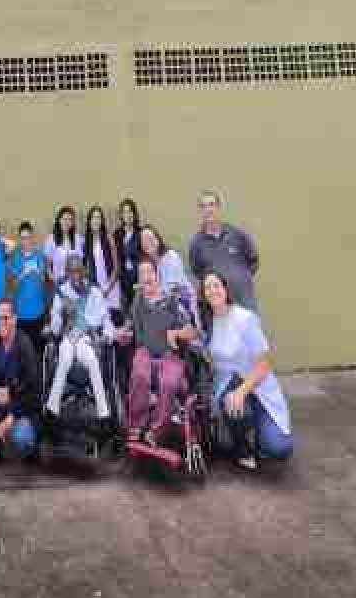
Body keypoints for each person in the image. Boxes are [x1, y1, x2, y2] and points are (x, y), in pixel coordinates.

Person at [203, 271, 293, 469]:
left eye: (216, 285)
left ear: (226, 289)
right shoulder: (208, 322)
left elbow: (264, 362)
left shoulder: (244, 318)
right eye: (207, 287)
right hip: (227, 384)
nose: (212, 291)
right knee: (233, 407)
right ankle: (242, 448)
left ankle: (258, 432)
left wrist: (242, 391)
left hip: (257, 384)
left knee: (279, 448)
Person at [123, 258, 200, 444]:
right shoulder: (138, 301)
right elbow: (130, 325)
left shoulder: (171, 299)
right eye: (142, 273)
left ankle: (157, 430)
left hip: (169, 352)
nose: (146, 276)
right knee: (140, 375)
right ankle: (136, 425)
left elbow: (190, 330)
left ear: (157, 275)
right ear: (139, 280)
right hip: (145, 350)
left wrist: (177, 333)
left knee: (169, 383)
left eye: (149, 271)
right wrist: (124, 332)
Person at [43, 254, 116, 428]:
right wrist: (59, 317)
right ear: (67, 273)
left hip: (85, 338)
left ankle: (104, 414)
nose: (75, 274)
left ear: (83, 271)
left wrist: (107, 336)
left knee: (92, 361)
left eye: (78, 270)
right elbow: (55, 327)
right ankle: (52, 410)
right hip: (68, 336)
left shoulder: (94, 291)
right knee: (65, 359)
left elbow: (105, 319)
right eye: (71, 271)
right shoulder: (61, 292)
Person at [0, 298, 41, 474]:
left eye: (5, 318)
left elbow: (34, 391)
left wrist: (9, 420)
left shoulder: (25, 345)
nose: (1, 322)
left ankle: (30, 449)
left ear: (14, 319)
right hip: (1, 399)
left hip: (22, 405)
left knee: (22, 437)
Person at [189, 191, 261, 311]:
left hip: (246, 302)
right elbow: (198, 272)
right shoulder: (196, 244)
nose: (208, 209)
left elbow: (253, 261)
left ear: (218, 208)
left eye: (211, 204)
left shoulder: (237, 234)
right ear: (200, 211)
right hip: (220, 307)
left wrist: (240, 279)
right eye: (203, 206)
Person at [139, 225, 199, 322]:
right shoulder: (150, 264)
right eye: (144, 240)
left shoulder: (171, 256)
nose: (148, 242)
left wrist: (152, 296)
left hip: (183, 307)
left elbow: (171, 289)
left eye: (150, 238)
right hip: (166, 310)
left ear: (158, 239)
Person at [9, 221, 47, 356]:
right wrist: (22, 274)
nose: (26, 241)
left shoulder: (39, 255)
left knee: (38, 350)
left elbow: (44, 283)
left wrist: (38, 272)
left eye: (28, 237)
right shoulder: (15, 257)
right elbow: (12, 287)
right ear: (20, 239)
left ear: (32, 238)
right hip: (21, 314)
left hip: (38, 312)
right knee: (22, 352)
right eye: (23, 238)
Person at [83, 205, 122, 324]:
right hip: (97, 289)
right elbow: (87, 268)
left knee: (114, 320)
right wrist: (94, 288)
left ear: (102, 221)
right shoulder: (87, 241)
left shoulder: (109, 238)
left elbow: (117, 267)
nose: (96, 220)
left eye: (99, 217)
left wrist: (107, 288)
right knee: (100, 321)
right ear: (89, 221)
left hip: (111, 286)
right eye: (93, 218)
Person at [113, 198, 142, 311]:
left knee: (138, 310)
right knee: (126, 311)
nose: (127, 215)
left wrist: (141, 280)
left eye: (130, 211)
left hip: (137, 278)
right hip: (123, 280)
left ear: (134, 214)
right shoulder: (117, 234)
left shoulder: (140, 233)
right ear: (121, 215)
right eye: (124, 212)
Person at [44, 205, 83, 289]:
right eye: (64, 219)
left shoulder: (79, 239)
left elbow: (82, 263)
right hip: (60, 284)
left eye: (70, 219)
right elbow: (47, 266)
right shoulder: (51, 240)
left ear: (73, 222)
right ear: (59, 220)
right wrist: (54, 280)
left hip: (77, 284)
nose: (67, 222)